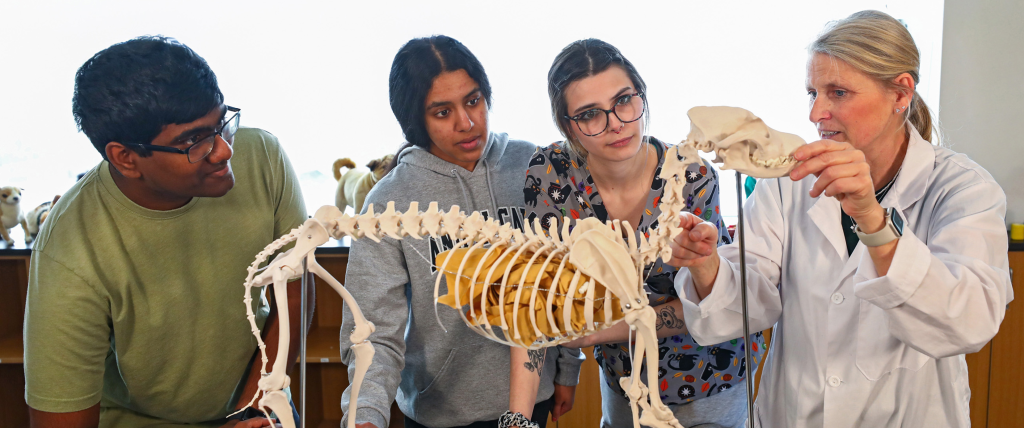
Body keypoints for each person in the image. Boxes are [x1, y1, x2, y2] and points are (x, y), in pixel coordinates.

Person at [670, 10, 1013, 427]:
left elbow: (968, 322)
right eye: (812, 92)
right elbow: (749, 302)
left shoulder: (962, 189)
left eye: (838, 93)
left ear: (901, 93)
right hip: (794, 414)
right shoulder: (788, 182)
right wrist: (706, 265)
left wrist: (871, 218)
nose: (816, 113)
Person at [23, 36, 309, 428]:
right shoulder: (71, 248)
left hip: (259, 395)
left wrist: (257, 405)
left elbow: (294, 292)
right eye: (193, 140)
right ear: (126, 158)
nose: (224, 150)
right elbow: (61, 418)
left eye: (222, 122)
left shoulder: (263, 157)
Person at [339, 35, 582, 428]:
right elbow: (373, 329)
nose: (467, 122)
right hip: (440, 413)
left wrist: (567, 368)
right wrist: (366, 413)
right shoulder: (388, 203)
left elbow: (567, 276)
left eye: (473, 101)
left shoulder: (533, 166)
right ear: (416, 119)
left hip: (535, 396)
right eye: (442, 112)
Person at [527, 39, 763, 428]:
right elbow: (555, 288)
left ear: (642, 95)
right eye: (589, 114)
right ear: (567, 125)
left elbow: (708, 307)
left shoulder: (692, 175)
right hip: (623, 380)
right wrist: (571, 357)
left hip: (711, 377)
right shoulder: (551, 172)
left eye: (624, 100)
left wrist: (592, 334)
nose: (615, 123)